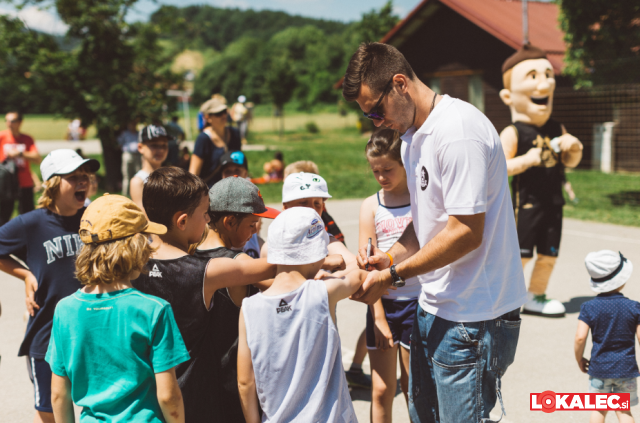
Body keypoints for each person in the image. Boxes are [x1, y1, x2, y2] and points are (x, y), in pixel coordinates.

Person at [343, 42, 527, 423]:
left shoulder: (457, 132)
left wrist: (392, 276)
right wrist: (390, 256)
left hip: (474, 317)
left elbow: (464, 233)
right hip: (434, 305)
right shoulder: (412, 137)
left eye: (376, 111)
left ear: (399, 84)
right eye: (368, 118)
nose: (376, 123)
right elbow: (428, 223)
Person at [131, 167, 278, 421]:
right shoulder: (202, 271)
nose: (208, 220)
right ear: (182, 221)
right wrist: (327, 258)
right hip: (195, 398)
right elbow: (265, 267)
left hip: (149, 396)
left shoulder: (134, 266)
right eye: (204, 214)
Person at [45, 194, 189, 423]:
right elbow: (168, 395)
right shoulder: (154, 310)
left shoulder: (65, 310)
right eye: (146, 237)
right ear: (135, 246)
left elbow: (58, 394)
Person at [238, 207, 367, 423]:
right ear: (317, 253)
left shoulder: (249, 308)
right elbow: (359, 276)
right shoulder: (323, 292)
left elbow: (245, 382)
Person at [0, 149, 99, 423]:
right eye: (74, 177)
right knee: (50, 411)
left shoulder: (95, 217)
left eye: (85, 176)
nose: (83, 182)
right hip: (48, 336)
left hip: (92, 331)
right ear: (53, 183)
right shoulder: (32, 223)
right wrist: (25, 275)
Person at [499, 44, 584, 318]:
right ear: (508, 95)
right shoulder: (513, 132)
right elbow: (498, 168)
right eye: (533, 76)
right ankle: (505, 296)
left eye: (548, 75)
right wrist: (528, 160)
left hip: (553, 202)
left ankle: (536, 296)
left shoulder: (556, 127)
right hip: (525, 205)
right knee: (520, 256)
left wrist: (575, 148)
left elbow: (569, 162)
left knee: (549, 255)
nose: (544, 82)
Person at [193, 177, 280, 422]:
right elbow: (283, 286)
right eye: (252, 224)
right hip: (233, 387)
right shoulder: (237, 262)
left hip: (200, 383)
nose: (255, 232)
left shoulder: (189, 256)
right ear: (229, 221)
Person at [360, 128, 420, 421]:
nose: (382, 176)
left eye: (388, 169)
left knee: (413, 388)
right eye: (375, 171)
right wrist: (379, 317)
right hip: (383, 305)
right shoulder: (371, 206)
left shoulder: (420, 201)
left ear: (404, 164)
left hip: (418, 303)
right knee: (382, 390)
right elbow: (366, 270)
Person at [575, 250, 637, 423]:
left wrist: (579, 358)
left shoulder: (589, 307)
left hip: (600, 368)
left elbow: (580, 337)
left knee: (599, 410)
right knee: (623, 411)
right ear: (622, 280)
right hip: (626, 369)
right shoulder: (634, 307)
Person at [189, 97, 241, 187]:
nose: (223, 116)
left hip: (232, 188)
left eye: (224, 112)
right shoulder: (203, 139)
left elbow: (240, 163)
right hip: (210, 191)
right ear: (208, 117)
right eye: (218, 113)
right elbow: (193, 174)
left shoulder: (235, 133)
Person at [0, 111, 41, 226]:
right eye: (7, 121)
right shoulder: (2, 137)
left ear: (20, 122)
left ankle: (27, 241)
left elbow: (37, 158)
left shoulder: (27, 139)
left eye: (12, 121)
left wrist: (19, 153)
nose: (9, 124)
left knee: (27, 215)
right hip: (6, 183)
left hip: (25, 183)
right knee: (4, 215)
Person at [129, 125, 170, 208]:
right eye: (154, 145)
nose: (161, 150)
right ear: (140, 147)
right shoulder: (138, 182)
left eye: (164, 145)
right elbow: (144, 217)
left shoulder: (171, 175)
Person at [117, 121, 141, 197]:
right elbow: (119, 143)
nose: (133, 125)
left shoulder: (138, 134)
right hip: (127, 154)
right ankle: (125, 194)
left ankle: (137, 193)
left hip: (137, 155)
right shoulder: (125, 134)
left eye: (134, 124)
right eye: (131, 124)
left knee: (138, 174)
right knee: (126, 175)